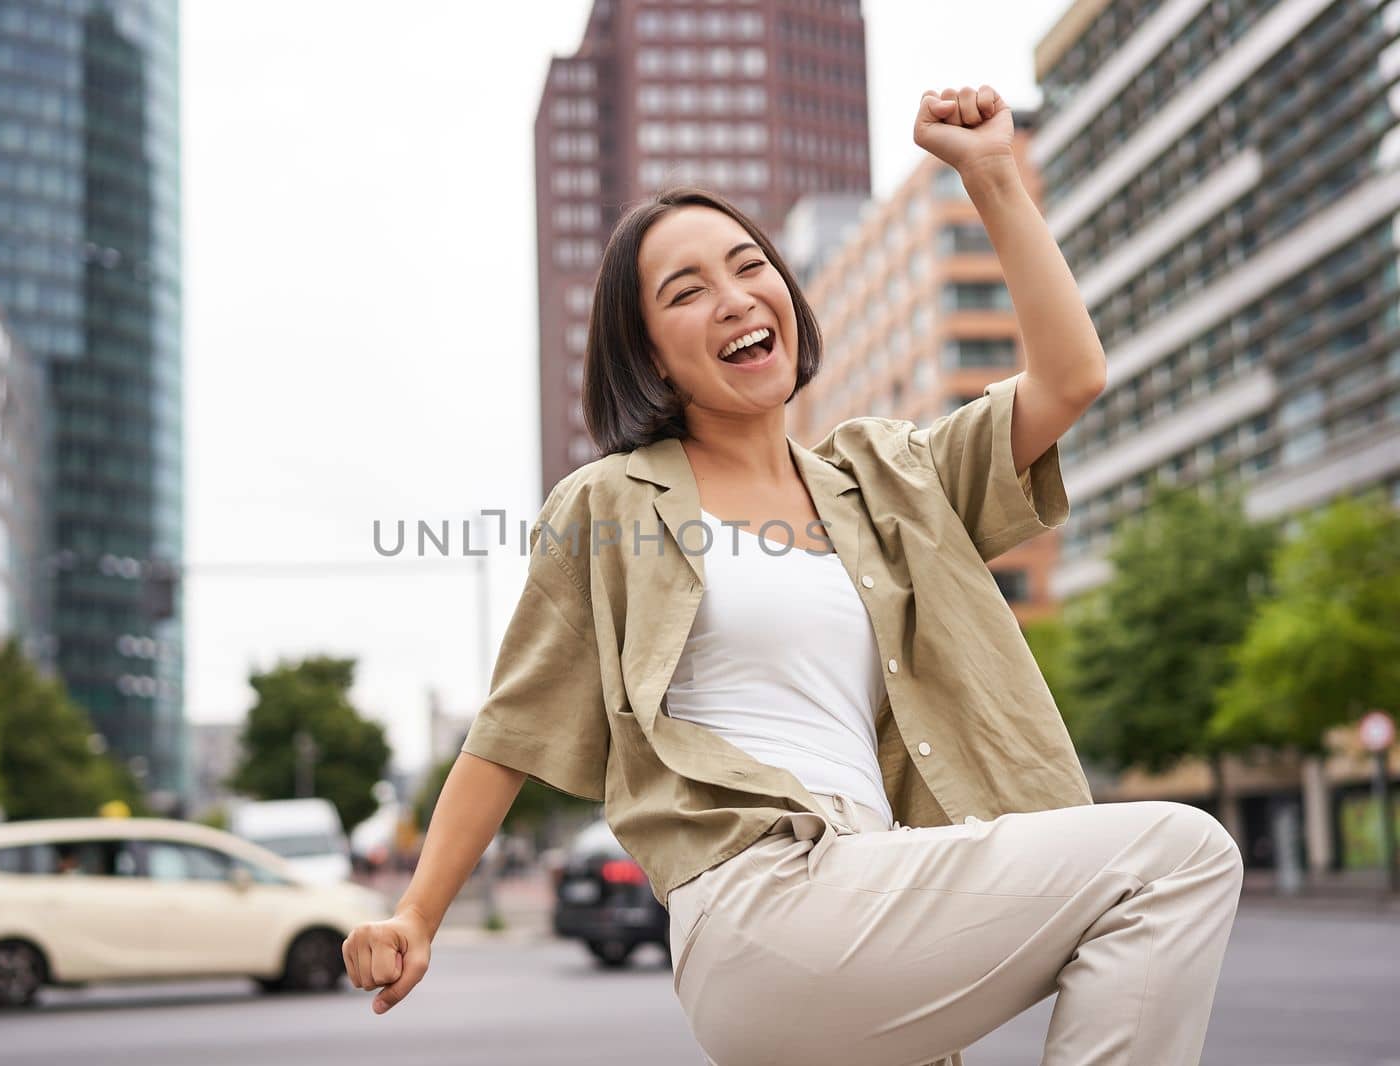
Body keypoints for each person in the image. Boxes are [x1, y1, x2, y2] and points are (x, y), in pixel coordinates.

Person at [343, 86, 1244, 1066]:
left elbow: (1068, 377)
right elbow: (509, 730)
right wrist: (417, 912)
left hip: (881, 889)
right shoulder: (610, 505)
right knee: (1176, 856)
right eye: (684, 292)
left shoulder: (889, 476)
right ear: (647, 354)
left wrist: (989, 174)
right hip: (764, 901)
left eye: (747, 266)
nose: (732, 296)